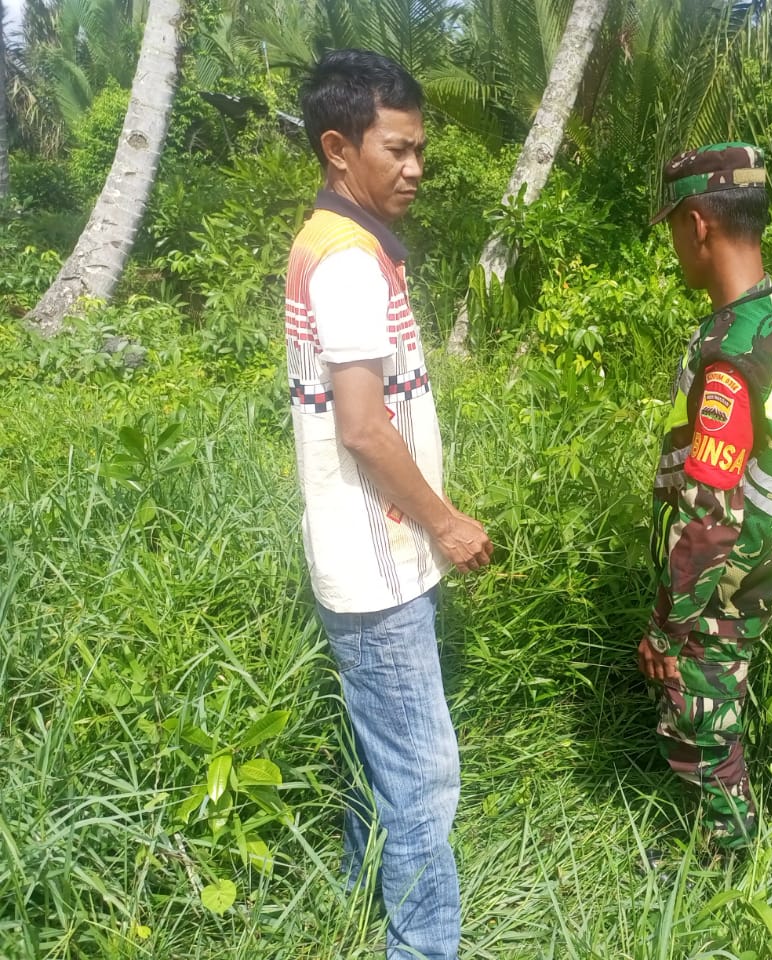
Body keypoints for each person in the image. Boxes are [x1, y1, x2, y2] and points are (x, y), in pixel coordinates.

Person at [287, 49, 493, 960]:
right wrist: (445, 522)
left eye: (421, 151)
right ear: (340, 148)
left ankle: (351, 892)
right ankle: (423, 948)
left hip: (364, 554)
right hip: (378, 566)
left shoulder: (336, 245)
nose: (415, 169)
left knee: (380, 754)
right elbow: (367, 430)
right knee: (424, 776)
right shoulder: (347, 265)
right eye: (397, 150)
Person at [638, 142, 772, 852]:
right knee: (722, 718)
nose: (677, 248)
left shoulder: (730, 354)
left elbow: (710, 513)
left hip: (724, 583)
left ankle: (730, 876)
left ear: (697, 224)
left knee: (703, 737)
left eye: (674, 231)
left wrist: (666, 624)